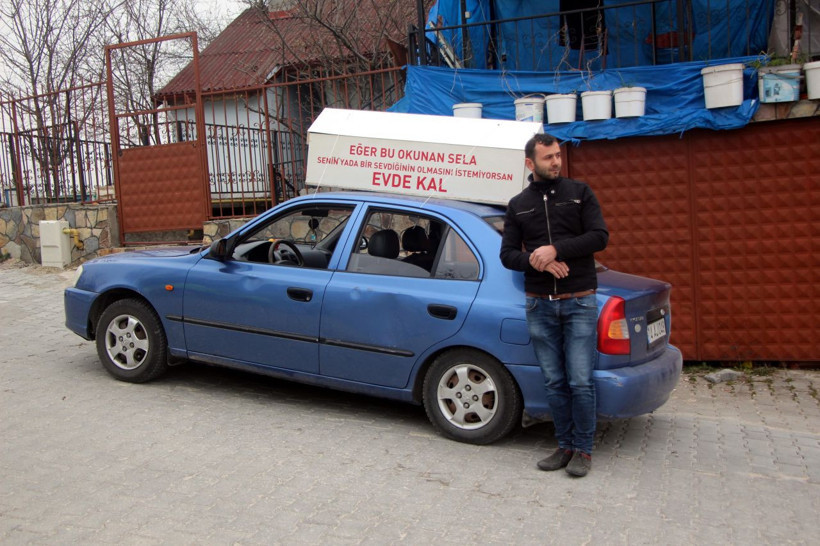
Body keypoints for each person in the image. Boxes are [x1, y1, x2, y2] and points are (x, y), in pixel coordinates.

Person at [500, 133, 609, 477]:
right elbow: (507, 255)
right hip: (539, 305)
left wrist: (556, 250)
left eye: (558, 156)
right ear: (530, 164)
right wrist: (538, 260)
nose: (556, 162)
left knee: (580, 381)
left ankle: (584, 451)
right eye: (548, 158)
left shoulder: (579, 193)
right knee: (554, 382)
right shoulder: (518, 204)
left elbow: (599, 237)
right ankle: (563, 446)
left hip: (578, 301)